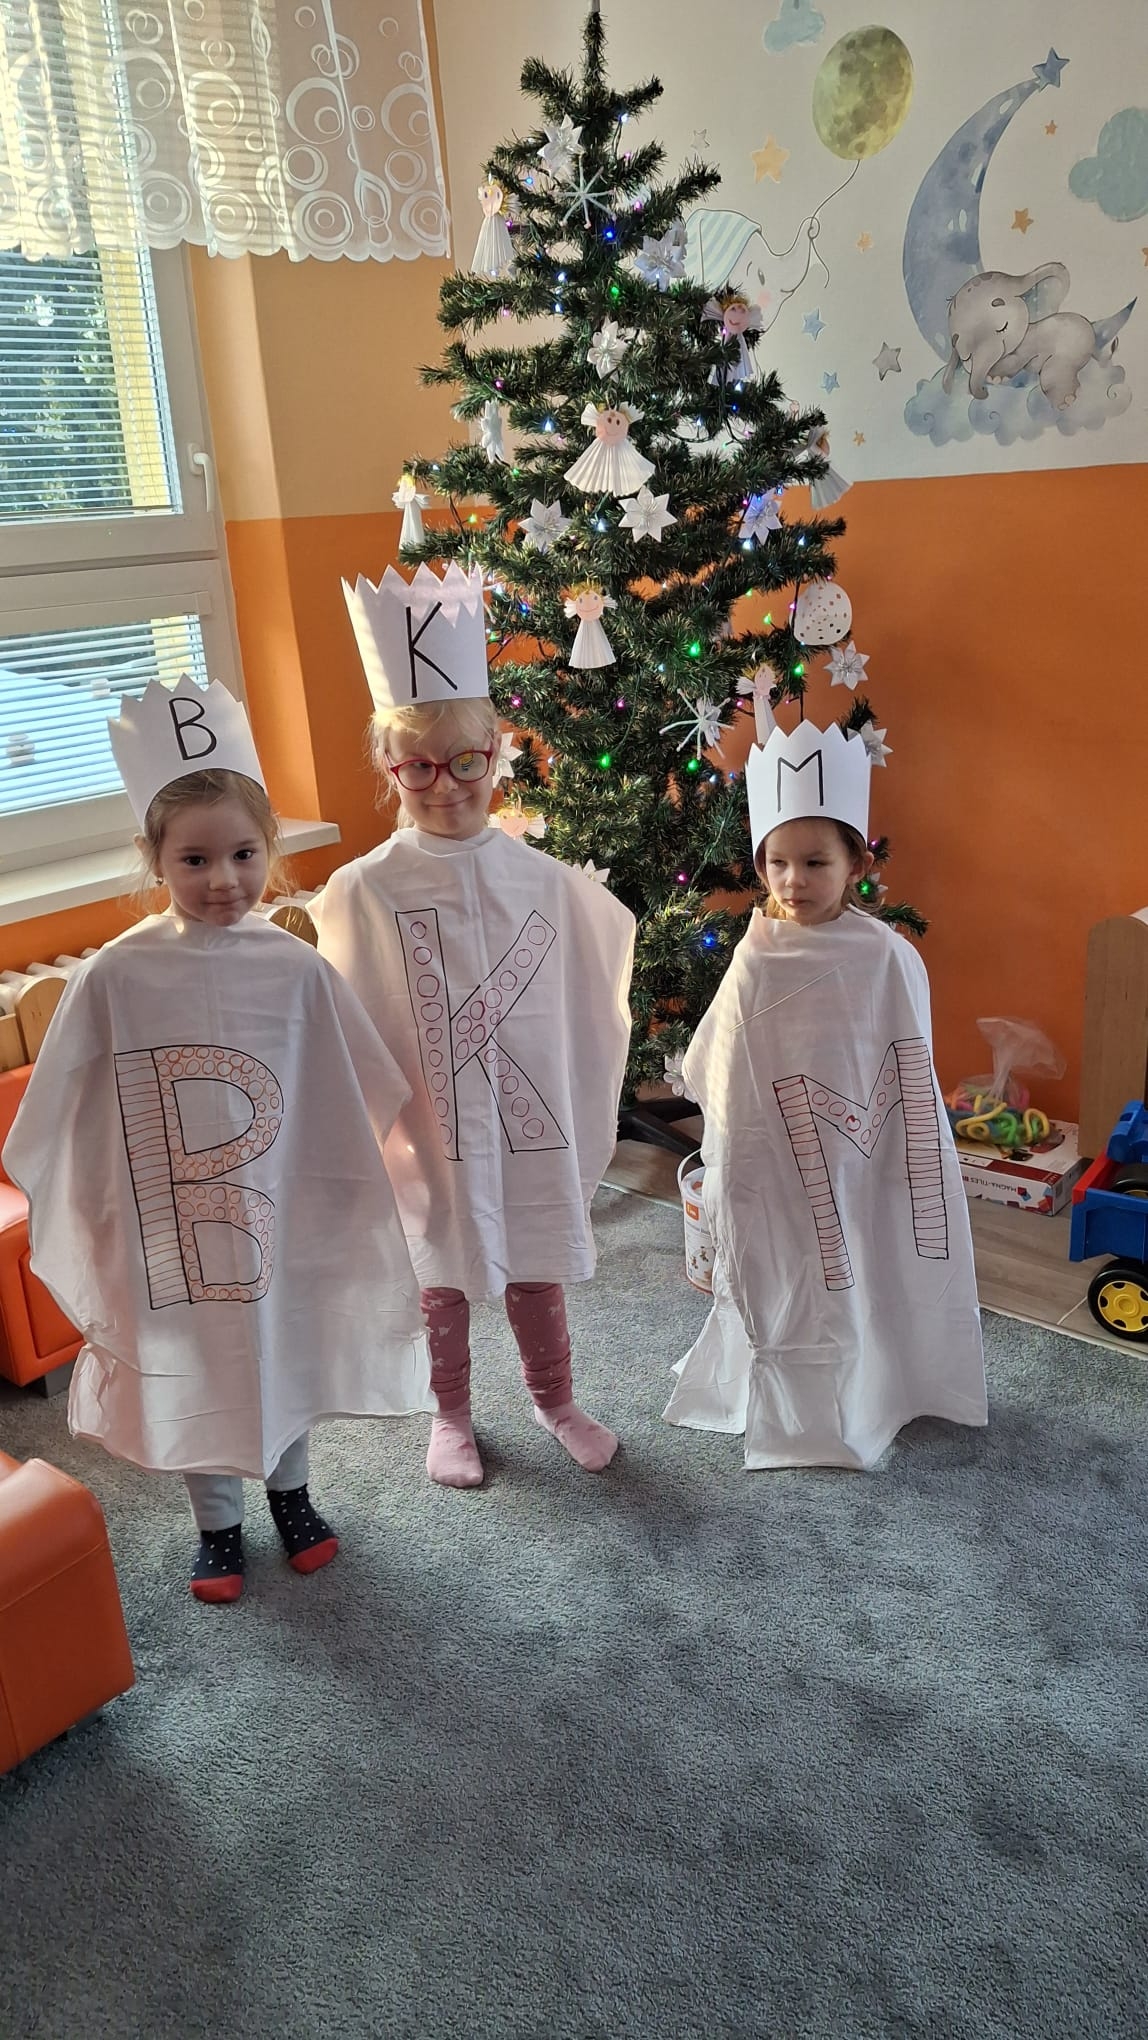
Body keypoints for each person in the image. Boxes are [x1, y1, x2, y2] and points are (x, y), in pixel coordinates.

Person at [4, 676, 428, 1603]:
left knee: (282, 1341)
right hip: (172, 1221)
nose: (223, 880)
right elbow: (66, 1103)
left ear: (270, 849)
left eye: (243, 854)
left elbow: (355, 1081)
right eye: (194, 859)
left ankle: (292, 1496)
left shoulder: (295, 967)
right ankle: (217, 1524)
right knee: (201, 1359)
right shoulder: (115, 977)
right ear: (154, 858)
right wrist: (94, 1204)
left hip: (272, 1204)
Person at [316, 563, 635, 1488]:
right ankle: (450, 1414)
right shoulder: (363, 889)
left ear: (497, 754)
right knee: (441, 1271)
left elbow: (594, 973)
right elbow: (347, 1008)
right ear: (390, 768)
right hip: (430, 1122)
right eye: (418, 766)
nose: (446, 784)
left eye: (466, 762)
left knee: (534, 1259)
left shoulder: (544, 881)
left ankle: (554, 1399)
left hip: (523, 1116)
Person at [664, 717, 987, 1468]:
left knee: (864, 1258)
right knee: (791, 1270)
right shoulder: (756, 958)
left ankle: (883, 1379)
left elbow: (904, 1056)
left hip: (862, 1146)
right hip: (779, 1152)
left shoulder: (886, 956)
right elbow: (720, 1062)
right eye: (777, 863)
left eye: (814, 862)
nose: (792, 881)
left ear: (855, 863)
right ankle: (799, 1396)